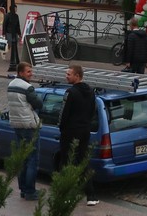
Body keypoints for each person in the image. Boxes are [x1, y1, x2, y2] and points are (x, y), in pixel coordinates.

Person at [58, 64, 98, 207]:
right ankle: (91, 195)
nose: (66, 76)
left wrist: (61, 128)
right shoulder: (91, 91)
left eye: (69, 74)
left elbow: (63, 113)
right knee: (83, 161)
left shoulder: (70, 92)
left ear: (77, 76)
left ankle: (67, 195)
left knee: (67, 162)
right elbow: (93, 111)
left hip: (70, 131)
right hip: (85, 130)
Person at [6, 61, 42, 200]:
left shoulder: (11, 85)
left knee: (23, 158)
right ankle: (30, 191)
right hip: (29, 126)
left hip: (16, 124)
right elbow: (39, 103)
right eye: (28, 71)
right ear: (21, 72)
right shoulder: (28, 87)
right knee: (32, 159)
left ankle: (23, 189)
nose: (31, 74)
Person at [4, 5, 22, 71]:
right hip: (9, 32)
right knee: (11, 44)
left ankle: (15, 58)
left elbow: (18, 25)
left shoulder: (16, 16)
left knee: (15, 45)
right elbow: (4, 24)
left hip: (15, 33)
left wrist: (19, 33)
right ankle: (12, 58)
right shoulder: (7, 15)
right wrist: (4, 33)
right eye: (15, 8)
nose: (16, 9)